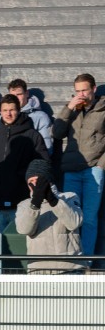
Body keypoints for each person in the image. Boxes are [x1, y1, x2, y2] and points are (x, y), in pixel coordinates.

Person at [0, 94, 50, 272]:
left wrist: (23, 181)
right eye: (5, 110)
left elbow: (42, 163)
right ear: (0, 112)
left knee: (20, 249)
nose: (8, 114)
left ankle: (21, 282)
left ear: (19, 111)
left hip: (21, 202)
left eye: (12, 110)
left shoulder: (32, 136)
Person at [53, 73, 105, 258]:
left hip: (94, 169)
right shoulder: (72, 109)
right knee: (70, 217)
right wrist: (68, 108)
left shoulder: (102, 109)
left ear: (94, 89)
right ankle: (72, 259)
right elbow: (56, 133)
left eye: (84, 90)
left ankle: (87, 261)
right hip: (71, 171)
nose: (81, 94)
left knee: (89, 218)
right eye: (77, 91)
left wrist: (101, 165)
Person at [15, 159, 85, 274]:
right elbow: (24, 229)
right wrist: (35, 203)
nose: (35, 185)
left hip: (70, 267)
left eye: (38, 180)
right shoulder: (24, 205)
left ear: (48, 180)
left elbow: (74, 223)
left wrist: (53, 200)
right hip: (39, 270)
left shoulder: (69, 197)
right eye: (30, 181)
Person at [4, 79, 53, 150]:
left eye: (19, 94)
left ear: (27, 93)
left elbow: (47, 146)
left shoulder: (40, 117)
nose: (15, 98)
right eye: (13, 96)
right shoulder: (3, 117)